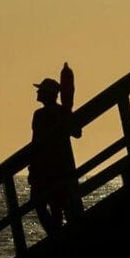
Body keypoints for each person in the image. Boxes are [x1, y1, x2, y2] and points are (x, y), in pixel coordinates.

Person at [28, 73, 82, 233]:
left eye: (40, 91)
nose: (37, 93)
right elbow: (77, 132)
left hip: (46, 169)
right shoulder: (62, 111)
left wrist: (32, 168)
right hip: (61, 167)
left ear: (47, 94)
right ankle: (59, 234)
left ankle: (55, 234)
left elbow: (35, 142)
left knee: (41, 203)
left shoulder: (40, 115)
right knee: (57, 204)